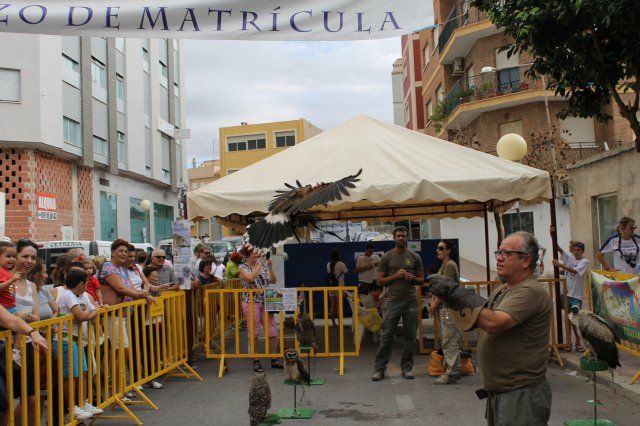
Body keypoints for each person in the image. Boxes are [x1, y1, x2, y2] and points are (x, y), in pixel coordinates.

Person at [429, 231, 552, 425]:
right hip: (502, 392)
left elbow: (494, 323)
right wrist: (451, 297)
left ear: (526, 260)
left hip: (521, 394)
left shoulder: (531, 291)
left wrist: (454, 291)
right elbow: (478, 319)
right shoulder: (503, 289)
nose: (499, 258)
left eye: (506, 253)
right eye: (498, 252)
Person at [371, 226, 425, 381]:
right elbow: (379, 281)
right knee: (387, 335)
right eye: (399, 236)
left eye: (404, 236)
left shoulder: (415, 257)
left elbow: (422, 280)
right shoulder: (387, 257)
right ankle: (379, 369)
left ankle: (407, 368)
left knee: (410, 336)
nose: (401, 238)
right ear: (394, 238)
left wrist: (412, 278)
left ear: (407, 238)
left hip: (411, 301)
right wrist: (395, 276)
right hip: (394, 300)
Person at [55, 269, 103, 421]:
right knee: (71, 375)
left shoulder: (81, 295)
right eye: (86, 283)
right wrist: (95, 312)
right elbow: (82, 316)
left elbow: (90, 310)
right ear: (82, 284)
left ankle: (83, 402)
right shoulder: (68, 295)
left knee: (83, 371)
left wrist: (92, 312)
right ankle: (72, 406)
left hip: (76, 338)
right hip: (64, 339)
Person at [238, 246, 282, 372]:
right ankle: (256, 360)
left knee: (271, 330)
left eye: (258, 253)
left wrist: (270, 268)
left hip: (266, 301)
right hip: (251, 302)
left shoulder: (261, 266)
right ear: (247, 255)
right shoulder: (242, 267)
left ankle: (274, 358)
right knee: (254, 332)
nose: (257, 255)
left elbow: (273, 280)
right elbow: (250, 278)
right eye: (254, 253)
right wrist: (261, 264)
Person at [429, 240, 462, 385]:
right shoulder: (445, 265)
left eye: (441, 248)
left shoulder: (449, 265)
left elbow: (445, 288)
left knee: (449, 340)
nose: (438, 250)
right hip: (446, 307)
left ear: (448, 250)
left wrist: (434, 305)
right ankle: (454, 369)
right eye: (437, 248)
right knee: (450, 339)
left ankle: (451, 373)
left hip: (448, 308)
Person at [552, 235, 589, 351]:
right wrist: (552, 235)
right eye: (574, 250)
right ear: (572, 251)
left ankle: (578, 343)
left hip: (576, 296)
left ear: (583, 251)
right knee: (567, 319)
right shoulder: (569, 258)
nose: (576, 252)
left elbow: (574, 271)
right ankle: (568, 343)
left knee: (575, 321)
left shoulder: (584, 261)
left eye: (579, 250)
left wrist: (560, 265)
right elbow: (559, 249)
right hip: (566, 294)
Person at [326, 250, 349, 327]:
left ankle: (333, 324)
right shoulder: (341, 264)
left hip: (331, 287)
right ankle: (340, 324)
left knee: (332, 306)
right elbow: (347, 273)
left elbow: (328, 274)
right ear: (338, 256)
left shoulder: (328, 264)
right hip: (340, 286)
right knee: (339, 306)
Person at [0, 241, 21, 314]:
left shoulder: (6, 271)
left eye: (14, 256)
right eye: (8, 256)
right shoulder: (1, 271)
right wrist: (12, 280)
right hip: (4, 309)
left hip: (10, 307)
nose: (12, 259)